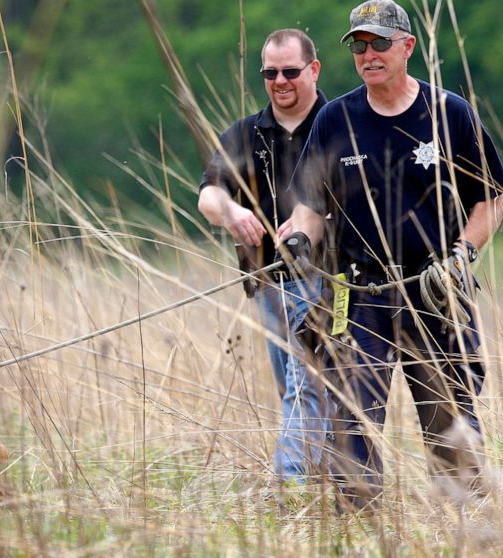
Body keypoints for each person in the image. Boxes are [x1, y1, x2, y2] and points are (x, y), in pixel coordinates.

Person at [282, 0, 503, 508]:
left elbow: (492, 196)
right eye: (360, 46)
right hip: (359, 294)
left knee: (449, 420)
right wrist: (300, 239)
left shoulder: (449, 113)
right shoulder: (334, 118)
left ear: (407, 47)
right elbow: (310, 206)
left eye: (380, 43)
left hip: (435, 290)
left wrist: (462, 253)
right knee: (351, 419)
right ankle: (359, 525)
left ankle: (467, 525)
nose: (369, 54)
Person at [197, 29, 329, 482]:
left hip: (330, 283)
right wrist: (231, 211)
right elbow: (208, 195)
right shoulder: (243, 133)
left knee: (306, 385)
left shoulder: (340, 123)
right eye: (270, 73)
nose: (280, 81)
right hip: (268, 284)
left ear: (313, 70)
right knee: (295, 389)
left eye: (290, 71)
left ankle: (291, 486)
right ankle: (325, 483)